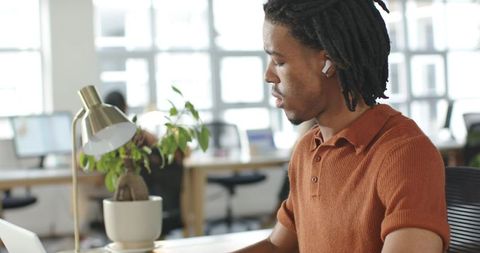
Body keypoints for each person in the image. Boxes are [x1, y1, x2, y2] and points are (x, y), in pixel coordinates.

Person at [234, 0, 450, 252]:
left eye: (279, 62)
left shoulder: (405, 155)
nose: (268, 75)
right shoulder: (307, 149)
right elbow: (277, 246)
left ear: (329, 63)